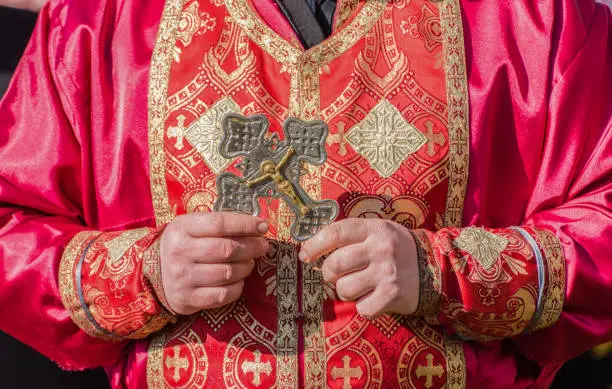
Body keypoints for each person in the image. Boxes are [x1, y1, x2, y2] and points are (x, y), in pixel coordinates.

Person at [0, 0, 610, 388]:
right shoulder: (99, 20)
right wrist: (144, 272)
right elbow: (11, 223)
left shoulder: (533, 19)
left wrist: (441, 273)